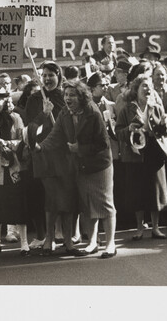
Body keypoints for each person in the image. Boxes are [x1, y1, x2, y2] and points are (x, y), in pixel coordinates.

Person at [37, 81, 117, 258]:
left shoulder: (93, 112)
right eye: (66, 95)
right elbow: (55, 135)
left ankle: (110, 244)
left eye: (72, 95)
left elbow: (103, 143)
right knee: (88, 206)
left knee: (104, 204)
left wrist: (79, 149)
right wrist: (40, 147)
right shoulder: (65, 112)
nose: (67, 98)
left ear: (81, 96)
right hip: (80, 165)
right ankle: (92, 243)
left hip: (99, 165)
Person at [24, 61, 75, 254]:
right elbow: (30, 129)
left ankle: (68, 239)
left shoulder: (66, 96)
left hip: (64, 154)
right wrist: (44, 114)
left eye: (51, 75)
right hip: (44, 154)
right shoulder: (35, 99)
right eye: (44, 75)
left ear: (59, 77)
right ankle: (49, 239)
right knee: (51, 198)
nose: (47, 79)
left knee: (67, 196)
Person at [116, 75, 167, 240]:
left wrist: (164, 126)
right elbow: (118, 132)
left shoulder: (157, 108)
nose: (147, 90)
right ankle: (139, 228)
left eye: (149, 87)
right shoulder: (127, 109)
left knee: (156, 192)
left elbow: (165, 133)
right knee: (137, 192)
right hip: (135, 155)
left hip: (154, 153)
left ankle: (155, 227)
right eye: (144, 87)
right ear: (136, 90)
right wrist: (129, 129)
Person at [0, 89, 30, 256]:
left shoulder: (15, 118)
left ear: (6, 100)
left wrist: (7, 143)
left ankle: (24, 243)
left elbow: (23, 141)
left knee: (19, 206)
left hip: (13, 168)